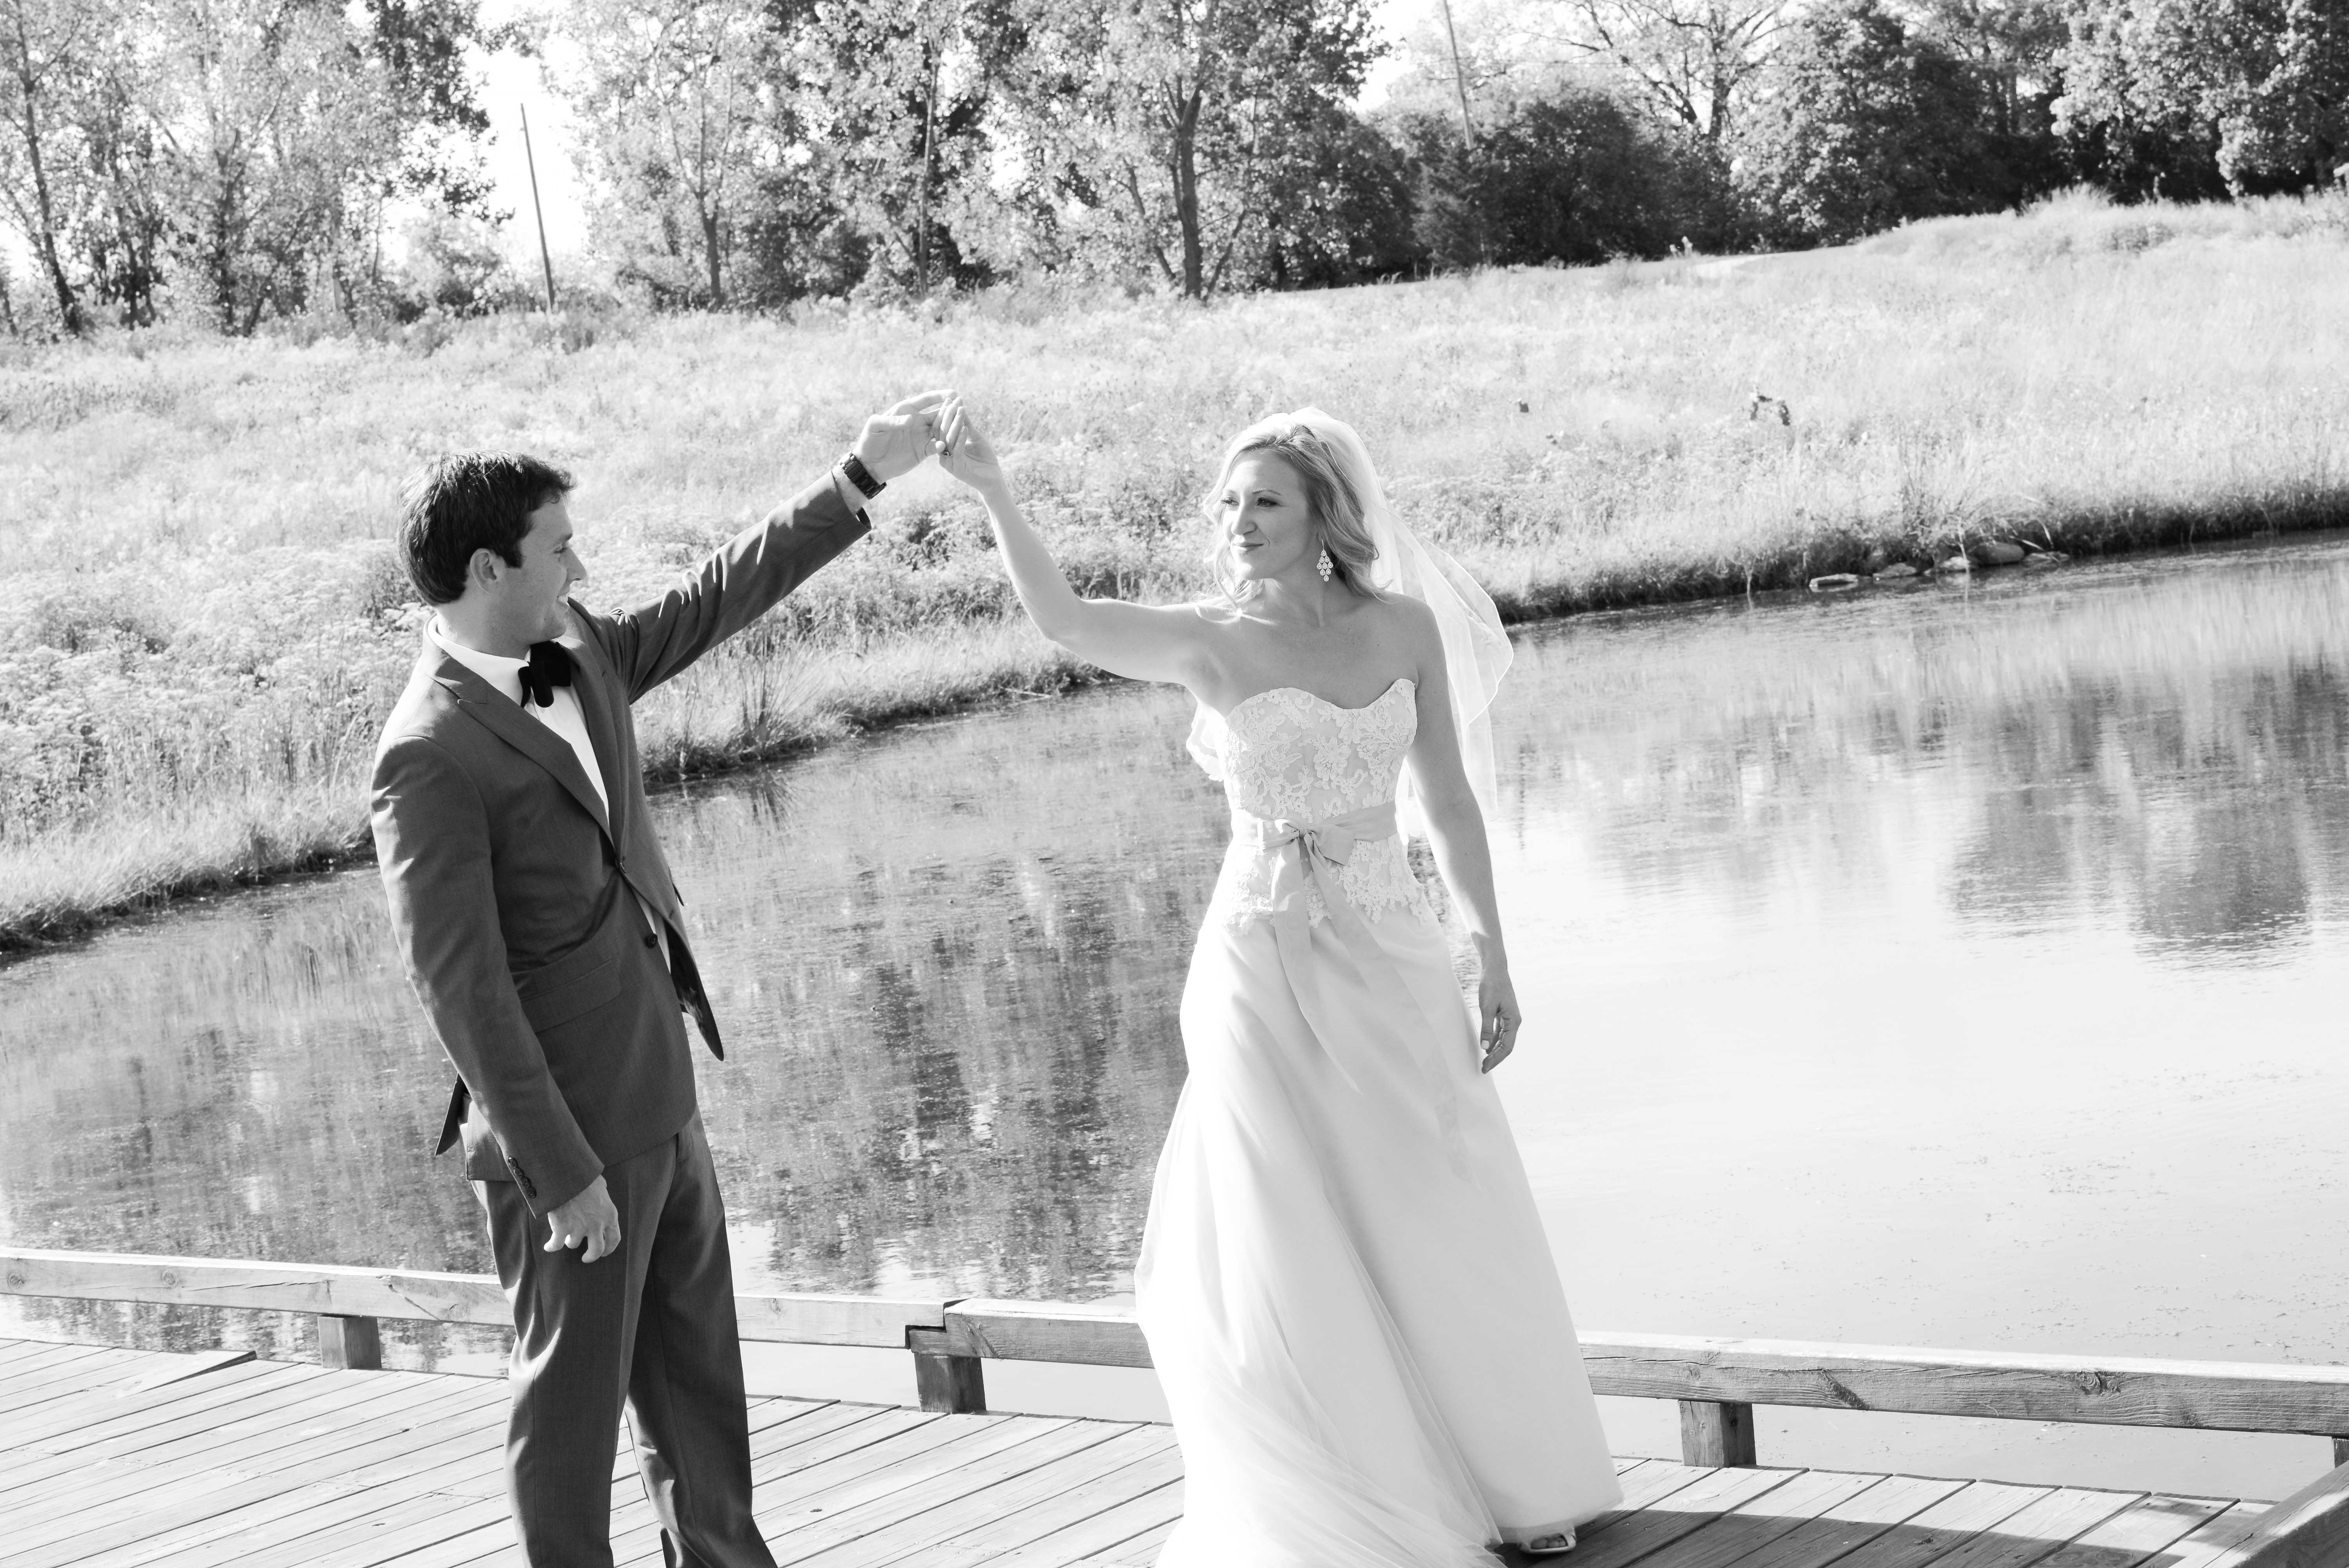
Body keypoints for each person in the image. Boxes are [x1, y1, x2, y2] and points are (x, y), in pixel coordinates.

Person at [929, 397, 1622, 1564]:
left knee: (1434, 1192)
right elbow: (1063, 620)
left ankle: (1509, 1482)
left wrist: (1491, 948)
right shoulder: (1212, 640)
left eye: (1265, 502)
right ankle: (1349, 1499)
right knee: (1285, 1219)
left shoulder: (1404, 628)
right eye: (1229, 502)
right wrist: (996, 490)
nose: (1239, 521)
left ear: (1324, 516)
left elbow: (1447, 799)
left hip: (1394, 947)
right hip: (1258, 958)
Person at [368, 391, 943, 1568]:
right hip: (570, 1132)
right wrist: (561, 1172)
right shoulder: (425, 755)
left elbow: (711, 598)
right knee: (571, 1417)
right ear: (487, 568)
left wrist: (857, 480)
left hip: (663, 1090)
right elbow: (463, 991)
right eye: (559, 546)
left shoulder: (575, 643)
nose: (580, 565)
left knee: (698, 1396)